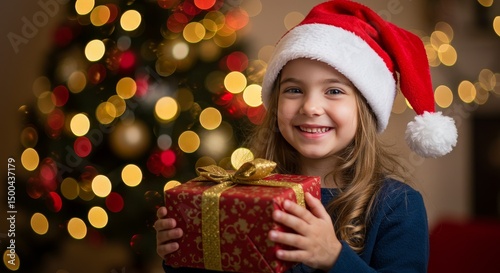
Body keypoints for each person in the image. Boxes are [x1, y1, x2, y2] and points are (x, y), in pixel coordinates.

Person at [154, 0, 458, 272]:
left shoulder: (398, 207)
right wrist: (182, 253)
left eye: (334, 91)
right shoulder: (247, 194)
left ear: (364, 109)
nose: (311, 107)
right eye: (294, 90)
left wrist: (333, 257)